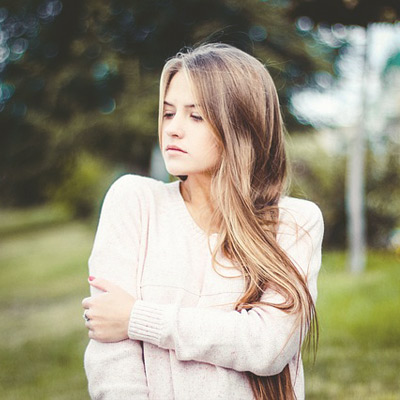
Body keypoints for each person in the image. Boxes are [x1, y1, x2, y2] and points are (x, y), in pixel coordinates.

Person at [81, 42, 324, 400]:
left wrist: (137, 318)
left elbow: (268, 346)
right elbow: (112, 357)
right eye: (168, 113)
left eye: (195, 116)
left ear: (242, 125)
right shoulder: (134, 201)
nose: (173, 129)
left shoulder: (294, 222)